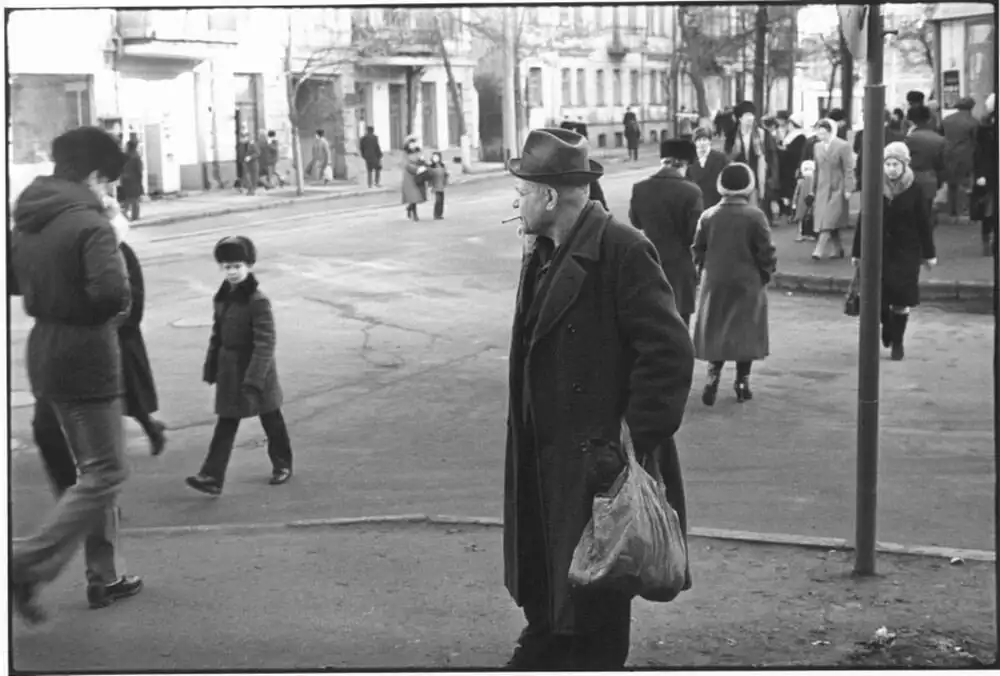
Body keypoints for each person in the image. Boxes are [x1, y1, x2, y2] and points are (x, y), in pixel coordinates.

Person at [503, 127, 694, 669]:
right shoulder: (544, 251)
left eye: (522, 192)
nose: (516, 203)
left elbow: (669, 352)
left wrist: (627, 443)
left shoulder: (622, 249)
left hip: (593, 462)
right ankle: (545, 640)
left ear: (548, 197)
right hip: (545, 456)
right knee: (551, 577)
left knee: (599, 597)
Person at [9, 126, 140, 623]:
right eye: (108, 183)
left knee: (92, 472)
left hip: (44, 348)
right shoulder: (91, 223)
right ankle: (24, 562)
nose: (109, 192)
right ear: (94, 176)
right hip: (86, 355)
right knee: (106, 471)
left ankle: (98, 573)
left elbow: (12, 281)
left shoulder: (30, 217)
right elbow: (111, 295)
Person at [186, 236, 292, 495]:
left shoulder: (257, 300)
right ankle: (212, 476)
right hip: (230, 370)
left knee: (271, 418)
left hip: (256, 369)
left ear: (249, 266)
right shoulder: (222, 297)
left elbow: (265, 342)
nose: (232, 271)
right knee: (227, 422)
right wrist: (212, 365)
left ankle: (283, 464)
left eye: (237, 266)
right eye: (227, 266)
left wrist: (255, 379)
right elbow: (217, 334)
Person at [691, 162, 776, 405]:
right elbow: (766, 251)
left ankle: (712, 377)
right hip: (747, 280)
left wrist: (704, 271)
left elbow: (698, 249)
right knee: (745, 331)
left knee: (717, 329)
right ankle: (742, 382)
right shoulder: (755, 216)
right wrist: (766, 274)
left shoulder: (709, 215)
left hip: (715, 280)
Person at [851, 143, 937, 361]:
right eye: (887, 164)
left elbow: (924, 223)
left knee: (901, 298)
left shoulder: (915, 189)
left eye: (895, 164)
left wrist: (929, 253)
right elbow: (863, 219)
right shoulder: (875, 186)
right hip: (879, 250)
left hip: (907, 251)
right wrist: (857, 252)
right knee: (878, 296)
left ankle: (897, 341)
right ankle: (887, 326)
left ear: (904, 165)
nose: (891, 169)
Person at [630, 138, 704, 326]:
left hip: (650, 261)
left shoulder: (640, 188)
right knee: (680, 323)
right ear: (683, 164)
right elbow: (694, 235)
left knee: (653, 322)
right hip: (680, 266)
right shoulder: (692, 191)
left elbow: (635, 222)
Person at [809, 120, 855, 260]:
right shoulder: (817, 147)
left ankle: (819, 249)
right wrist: (812, 188)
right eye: (819, 133)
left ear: (830, 132)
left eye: (823, 133)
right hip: (822, 187)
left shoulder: (843, 146)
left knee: (829, 218)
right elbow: (816, 169)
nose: (820, 136)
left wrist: (849, 188)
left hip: (838, 187)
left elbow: (848, 168)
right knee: (828, 218)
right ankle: (838, 248)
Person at [723, 100, 779, 217]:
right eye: (747, 115)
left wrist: (772, 179)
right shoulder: (731, 136)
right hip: (738, 179)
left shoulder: (763, 134)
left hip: (757, 179)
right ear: (740, 118)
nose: (750, 118)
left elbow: (772, 158)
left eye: (752, 115)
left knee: (754, 211)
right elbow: (727, 157)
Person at [904, 105, 946, 225]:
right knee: (926, 212)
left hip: (910, 178)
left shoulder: (909, 138)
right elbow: (941, 163)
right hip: (930, 177)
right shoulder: (939, 139)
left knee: (910, 215)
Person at [941, 97, 979, 221]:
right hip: (966, 156)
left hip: (948, 155)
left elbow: (941, 137)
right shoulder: (973, 122)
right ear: (971, 107)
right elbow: (976, 141)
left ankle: (952, 211)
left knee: (951, 184)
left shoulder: (946, 120)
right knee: (965, 184)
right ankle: (963, 211)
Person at [972, 93, 997, 256]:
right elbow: (980, 153)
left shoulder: (984, 127)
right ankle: (988, 240)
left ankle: (988, 240)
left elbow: (979, 153)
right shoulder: (984, 129)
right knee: (989, 209)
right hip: (990, 173)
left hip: (988, 173)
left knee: (990, 209)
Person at [686, 127, 729, 209]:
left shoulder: (720, 158)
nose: (702, 143)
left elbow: (727, 180)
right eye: (699, 140)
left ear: (709, 141)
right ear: (694, 142)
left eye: (704, 139)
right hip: (697, 205)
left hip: (717, 203)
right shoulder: (690, 160)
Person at [792, 159, 818, 241]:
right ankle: (808, 234)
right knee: (809, 217)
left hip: (802, 201)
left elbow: (796, 193)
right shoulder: (813, 180)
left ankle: (801, 234)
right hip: (810, 200)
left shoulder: (801, 181)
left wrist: (794, 203)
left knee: (802, 218)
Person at [401, 143, 428, 221]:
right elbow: (409, 166)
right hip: (409, 180)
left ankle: (409, 208)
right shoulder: (406, 156)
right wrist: (419, 169)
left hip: (417, 179)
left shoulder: (417, 154)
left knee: (415, 197)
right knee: (413, 197)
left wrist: (422, 162)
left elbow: (423, 164)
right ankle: (415, 215)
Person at [118, 139, 143, 221]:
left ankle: (124, 213)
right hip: (134, 180)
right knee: (134, 199)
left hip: (125, 180)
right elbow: (139, 170)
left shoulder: (125, 156)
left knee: (127, 198)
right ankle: (134, 216)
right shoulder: (136, 157)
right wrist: (140, 182)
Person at [427, 151, 449, 220]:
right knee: (438, 200)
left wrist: (446, 179)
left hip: (441, 185)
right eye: (434, 157)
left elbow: (445, 174)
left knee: (441, 200)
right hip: (435, 185)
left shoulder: (442, 165)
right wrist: (429, 185)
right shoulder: (431, 166)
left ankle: (440, 214)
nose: (435, 158)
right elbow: (429, 176)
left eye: (437, 157)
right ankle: (436, 214)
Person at [239, 131, 260, 196]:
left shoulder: (253, 144)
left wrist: (250, 157)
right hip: (246, 163)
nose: (244, 139)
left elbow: (258, 153)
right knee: (246, 176)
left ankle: (252, 190)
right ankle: (250, 189)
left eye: (245, 137)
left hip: (253, 163)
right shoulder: (243, 144)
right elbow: (242, 153)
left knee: (253, 177)